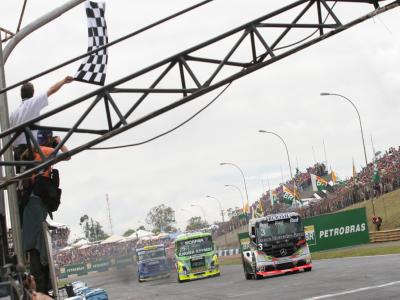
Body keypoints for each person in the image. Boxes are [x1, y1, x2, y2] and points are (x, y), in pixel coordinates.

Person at [22, 129, 69, 295]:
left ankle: (42, 285)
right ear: (48, 139)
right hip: (39, 197)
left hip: (34, 196)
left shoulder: (32, 151)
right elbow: (67, 155)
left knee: (36, 242)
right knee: (38, 244)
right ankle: (43, 286)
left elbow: (22, 158)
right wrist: (59, 141)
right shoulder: (47, 151)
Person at [9, 76, 74, 170]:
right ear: (33, 93)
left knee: (24, 182)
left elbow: (11, 137)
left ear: (21, 94)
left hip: (17, 154)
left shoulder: (13, 113)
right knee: (62, 152)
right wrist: (63, 81)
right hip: (30, 152)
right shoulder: (33, 102)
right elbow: (51, 90)